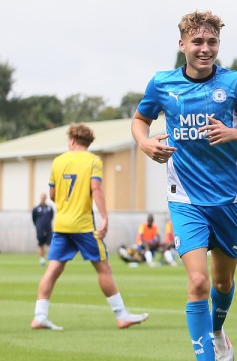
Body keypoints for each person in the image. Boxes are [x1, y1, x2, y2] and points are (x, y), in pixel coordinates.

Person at [131, 10, 237, 361]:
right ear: (183, 45)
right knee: (198, 284)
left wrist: (233, 132)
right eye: (197, 42)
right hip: (185, 198)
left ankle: (218, 329)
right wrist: (145, 144)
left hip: (228, 198)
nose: (205, 48)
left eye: (211, 42)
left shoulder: (235, 84)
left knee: (223, 284)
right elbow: (139, 121)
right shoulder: (163, 84)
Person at [31, 123, 149, 331]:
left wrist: (67, 204)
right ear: (87, 142)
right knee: (104, 269)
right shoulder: (93, 161)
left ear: (72, 140)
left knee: (53, 269)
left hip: (61, 224)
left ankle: (39, 316)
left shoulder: (58, 161)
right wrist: (104, 217)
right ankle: (122, 316)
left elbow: (52, 195)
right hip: (84, 225)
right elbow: (97, 189)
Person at [32, 192, 55, 266]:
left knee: (50, 244)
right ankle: (42, 259)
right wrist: (38, 226)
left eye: (44, 197)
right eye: (41, 197)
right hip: (40, 229)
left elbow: (51, 217)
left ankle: (51, 259)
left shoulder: (49, 208)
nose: (42, 199)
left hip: (48, 229)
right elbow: (34, 218)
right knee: (40, 244)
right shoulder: (36, 209)